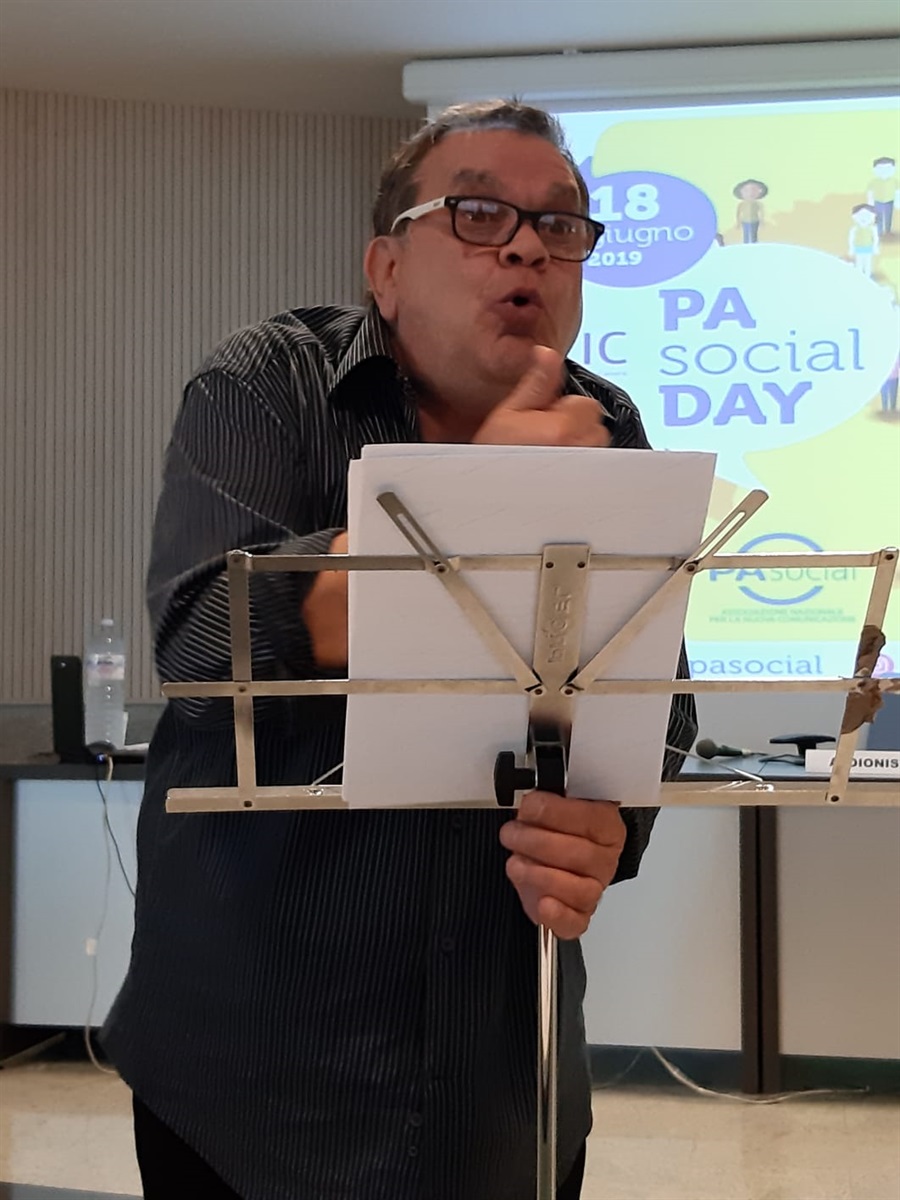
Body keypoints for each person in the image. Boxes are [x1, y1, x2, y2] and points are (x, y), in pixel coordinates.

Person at [102, 100, 697, 1200]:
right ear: (386, 268)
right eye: (478, 212)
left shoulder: (607, 423)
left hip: (505, 1075)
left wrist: (609, 827)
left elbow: (660, 700)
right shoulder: (264, 383)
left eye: (560, 225)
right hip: (253, 1080)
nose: (528, 247)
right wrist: (478, 500)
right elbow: (200, 644)